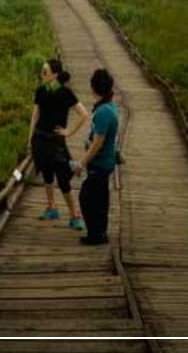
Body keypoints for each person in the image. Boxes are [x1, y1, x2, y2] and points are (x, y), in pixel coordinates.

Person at [28, 58, 90, 230]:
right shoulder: (40, 91)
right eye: (42, 71)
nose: (42, 74)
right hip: (40, 138)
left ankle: (74, 215)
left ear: (55, 74)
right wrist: (30, 139)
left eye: (45, 71)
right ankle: (51, 207)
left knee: (63, 179)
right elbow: (35, 116)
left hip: (56, 141)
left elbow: (84, 114)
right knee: (46, 174)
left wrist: (69, 132)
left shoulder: (65, 93)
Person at [73, 68, 119, 245]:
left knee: (86, 197)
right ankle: (100, 233)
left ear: (94, 88)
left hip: (100, 163)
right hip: (106, 162)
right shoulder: (109, 106)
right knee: (100, 197)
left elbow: (97, 143)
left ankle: (95, 234)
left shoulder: (103, 112)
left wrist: (81, 163)